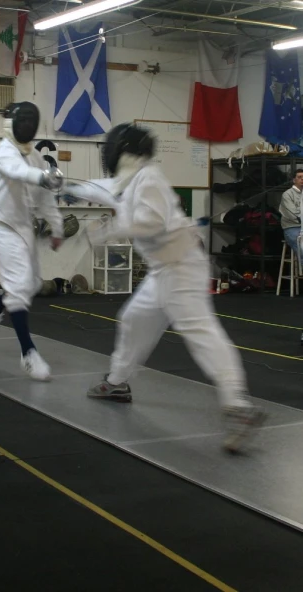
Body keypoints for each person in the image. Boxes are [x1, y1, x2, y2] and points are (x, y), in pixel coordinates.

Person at [65, 123, 266, 453]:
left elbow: (152, 221)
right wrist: (63, 185)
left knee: (201, 333)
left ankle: (239, 408)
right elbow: (99, 188)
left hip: (182, 267)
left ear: (124, 151)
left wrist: (109, 229)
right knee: (133, 320)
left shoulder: (149, 178)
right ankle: (116, 384)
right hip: (164, 271)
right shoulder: (128, 180)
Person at [0, 101, 65, 381]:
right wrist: (43, 177)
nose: (27, 126)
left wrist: (57, 228)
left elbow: (44, 198)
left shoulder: (36, 157)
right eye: (23, 121)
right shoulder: (3, 152)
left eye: (31, 122)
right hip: (0, 225)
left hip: (23, 226)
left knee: (31, 285)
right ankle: (28, 353)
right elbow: (20, 172)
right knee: (18, 287)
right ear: (11, 124)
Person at [279, 169, 303, 262]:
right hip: (292, 227)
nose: (302, 179)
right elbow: (294, 214)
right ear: (294, 180)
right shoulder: (287, 195)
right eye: (299, 177)